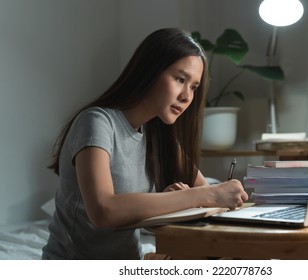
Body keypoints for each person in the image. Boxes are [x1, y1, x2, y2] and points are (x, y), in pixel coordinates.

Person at [41, 27, 248, 260]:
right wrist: (199, 196)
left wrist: (177, 201)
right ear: (150, 71)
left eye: (194, 87)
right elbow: (103, 211)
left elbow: (204, 191)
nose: (187, 96)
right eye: (180, 79)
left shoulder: (158, 134)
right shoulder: (97, 122)